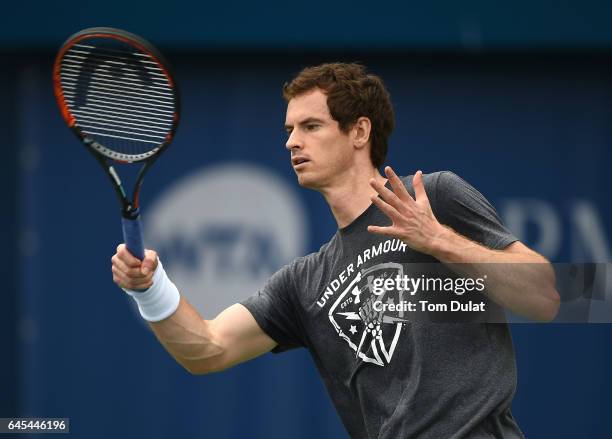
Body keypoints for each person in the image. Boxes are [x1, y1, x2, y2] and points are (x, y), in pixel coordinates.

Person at [112, 63, 560, 438]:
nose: (291, 142)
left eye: (310, 126)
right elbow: (207, 349)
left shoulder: (434, 197)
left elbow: (548, 297)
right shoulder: (303, 283)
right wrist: (150, 289)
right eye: (289, 130)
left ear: (359, 131)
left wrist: (438, 239)